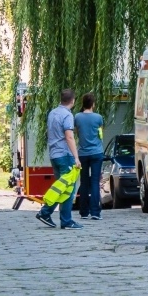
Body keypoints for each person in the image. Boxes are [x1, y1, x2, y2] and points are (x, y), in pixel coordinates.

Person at [36, 89, 83, 229]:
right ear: (73, 101)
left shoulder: (52, 113)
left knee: (59, 188)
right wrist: (76, 157)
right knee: (68, 189)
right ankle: (66, 221)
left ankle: (46, 212)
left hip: (54, 155)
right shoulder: (67, 115)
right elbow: (69, 136)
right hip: (65, 155)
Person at [76, 93, 105, 220]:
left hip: (82, 153)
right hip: (96, 153)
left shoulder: (77, 117)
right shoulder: (98, 117)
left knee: (84, 182)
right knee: (94, 182)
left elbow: (77, 132)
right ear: (93, 104)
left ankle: (83, 212)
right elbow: (100, 132)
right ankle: (95, 212)